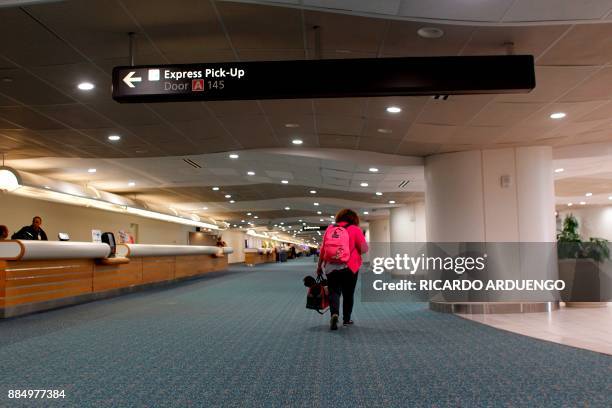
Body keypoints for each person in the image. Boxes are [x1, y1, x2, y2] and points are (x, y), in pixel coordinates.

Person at [317, 209, 368, 330]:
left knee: (334, 292)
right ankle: (346, 319)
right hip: (349, 267)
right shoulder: (355, 229)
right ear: (354, 218)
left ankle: (334, 313)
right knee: (348, 293)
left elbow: (323, 249)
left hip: (331, 266)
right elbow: (364, 248)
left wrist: (319, 266)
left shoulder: (330, 229)